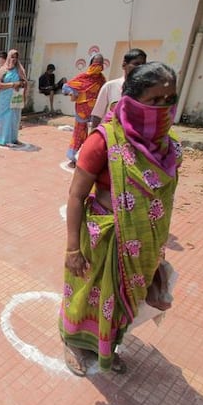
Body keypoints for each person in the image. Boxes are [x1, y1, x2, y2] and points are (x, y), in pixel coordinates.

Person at [59, 61, 181, 377]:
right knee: (89, 296)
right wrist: (73, 247)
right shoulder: (103, 140)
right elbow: (76, 195)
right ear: (131, 99)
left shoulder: (168, 146)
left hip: (144, 243)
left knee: (124, 302)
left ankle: (107, 347)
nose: (164, 108)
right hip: (105, 239)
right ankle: (73, 341)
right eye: (155, 101)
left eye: (170, 100)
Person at [62, 53, 106, 167]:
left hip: (96, 112)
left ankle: (87, 157)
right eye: (96, 63)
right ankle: (73, 157)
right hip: (82, 111)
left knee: (94, 135)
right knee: (79, 133)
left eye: (100, 64)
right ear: (91, 64)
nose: (98, 66)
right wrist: (72, 92)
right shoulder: (83, 77)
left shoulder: (102, 80)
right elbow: (66, 87)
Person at [90, 48, 147, 128]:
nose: (140, 68)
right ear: (124, 65)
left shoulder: (146, 90)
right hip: (110, 137)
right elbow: (97, 116)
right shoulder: (109, 86)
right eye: (136, 64)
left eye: (143, 65)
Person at [0, 49, 27, 147]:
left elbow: (24, 82)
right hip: (4, 99)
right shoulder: (2, 70)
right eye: (12, 57)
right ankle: (1, 138)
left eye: (16, 57)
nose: (14, 59)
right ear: (8, 57)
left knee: (14, 118)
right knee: (3, 118)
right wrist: (12, 84)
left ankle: (13, 138)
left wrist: (21, 83)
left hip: (15, 98)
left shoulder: (19, 70)